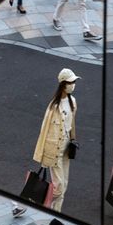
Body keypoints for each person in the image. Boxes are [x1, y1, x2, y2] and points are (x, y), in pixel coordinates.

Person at [33, 69, 79, 212]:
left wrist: (73, 139)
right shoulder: (54, 105)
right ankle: (47, 205)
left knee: (64, 183)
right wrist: (44, 154)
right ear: (63, 84)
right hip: (53, 149)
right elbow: (45, 130)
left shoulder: (72, 101)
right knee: (58, 185)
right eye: (71, 82)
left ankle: (56, 210)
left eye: (74, 82)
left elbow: (72, 122)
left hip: (66, 147)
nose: (73, 85)